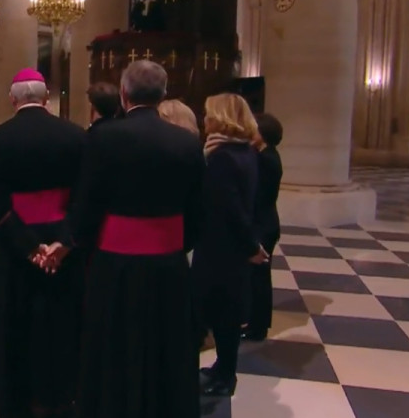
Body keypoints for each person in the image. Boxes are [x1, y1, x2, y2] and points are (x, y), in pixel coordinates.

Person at [72, 60, 204, 418]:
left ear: (124, 94)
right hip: (168, 263)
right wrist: (174, 242)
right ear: (163, 94)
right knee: (167, 346)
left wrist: (78, 242)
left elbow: (87, 203)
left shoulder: (103, 136)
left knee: (114, 345)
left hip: (114, 263)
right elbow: (198, 209)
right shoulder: (187, 142)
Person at [0, 68, 87, 418]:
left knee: (14, 323)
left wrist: (29, 247)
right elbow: (82, 198)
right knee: (59, 322)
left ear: (13, 99)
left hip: (16, 247)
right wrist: (63, 243)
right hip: (62, 247)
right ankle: (59, 392)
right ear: (46, 99)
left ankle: (13, 397)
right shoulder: (75, 134)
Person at [193, 93, 267, 397]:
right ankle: (224, 368)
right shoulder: (245, 151)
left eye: (208, 114)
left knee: (219, 312)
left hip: (219, 248)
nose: (204, 120)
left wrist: (251, 245)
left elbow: (230, 208)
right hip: (231, 247)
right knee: (228, 312)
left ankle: (225, 376)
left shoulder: (222, 157)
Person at [243, 113, 284, 341]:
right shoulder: (266, 155)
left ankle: (257, 327)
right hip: (265, 223)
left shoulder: (265, 159)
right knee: (257, 277)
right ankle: (254, 322)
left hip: (263, 225)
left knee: (259, 278)